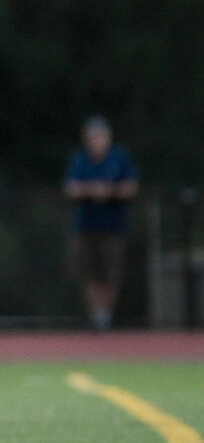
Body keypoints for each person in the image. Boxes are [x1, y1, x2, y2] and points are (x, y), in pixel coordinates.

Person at [63, 115, 138, 330]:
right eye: (92, 137)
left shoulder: (118, 158)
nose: (96, 140)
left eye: (100, 136)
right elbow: (70, 188)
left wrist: (110, 191)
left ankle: (106, 315)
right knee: (89, 273)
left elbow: (131, 186)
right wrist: (91, 189)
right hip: (86, 225)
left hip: (113, 226)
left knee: (111, 273)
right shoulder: (80, 159)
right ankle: (96, 316)